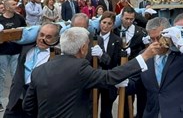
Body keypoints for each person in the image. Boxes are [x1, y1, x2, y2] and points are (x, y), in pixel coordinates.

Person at [22, 27, 158, 118]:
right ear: (82, 48)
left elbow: (28, 106)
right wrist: (144, 56)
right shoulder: (80, 67)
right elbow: (110, 77)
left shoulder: (38, 71)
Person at [132, 17, 183, 118]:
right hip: (153, 113)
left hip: (181, 113)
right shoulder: (145, 55)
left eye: (159, 37)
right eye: (151, 39)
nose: (155, 43)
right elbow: (134, 82)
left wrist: (181, 44)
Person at [5, 23, 60, 117]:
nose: (43, 39)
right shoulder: (26, 47)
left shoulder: (56, 55)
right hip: (16, 101)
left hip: (37, 104)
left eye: (48, 37)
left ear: (55, 39)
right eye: (41, 35)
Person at [91, 12, 121, 118]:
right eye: (104, 22)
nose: (106, 26)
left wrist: (101, 55)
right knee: (91, 108)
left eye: (109, 23)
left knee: (106, 110)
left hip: (108, 78)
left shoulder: (117, 40)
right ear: (100, 23)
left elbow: (114, 62)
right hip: (93, 77)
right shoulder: (91, 37)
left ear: (112, 25)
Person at [0, 0, 27, 112]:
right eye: (13, 4)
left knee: (17, 77)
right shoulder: (0, 19)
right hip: (2, 52)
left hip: (16, 51)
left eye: (15, 4)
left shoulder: (19, 18)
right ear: (6, 7)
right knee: (1, 77)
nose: (16, 6)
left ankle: (16, 100)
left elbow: (25, 31)